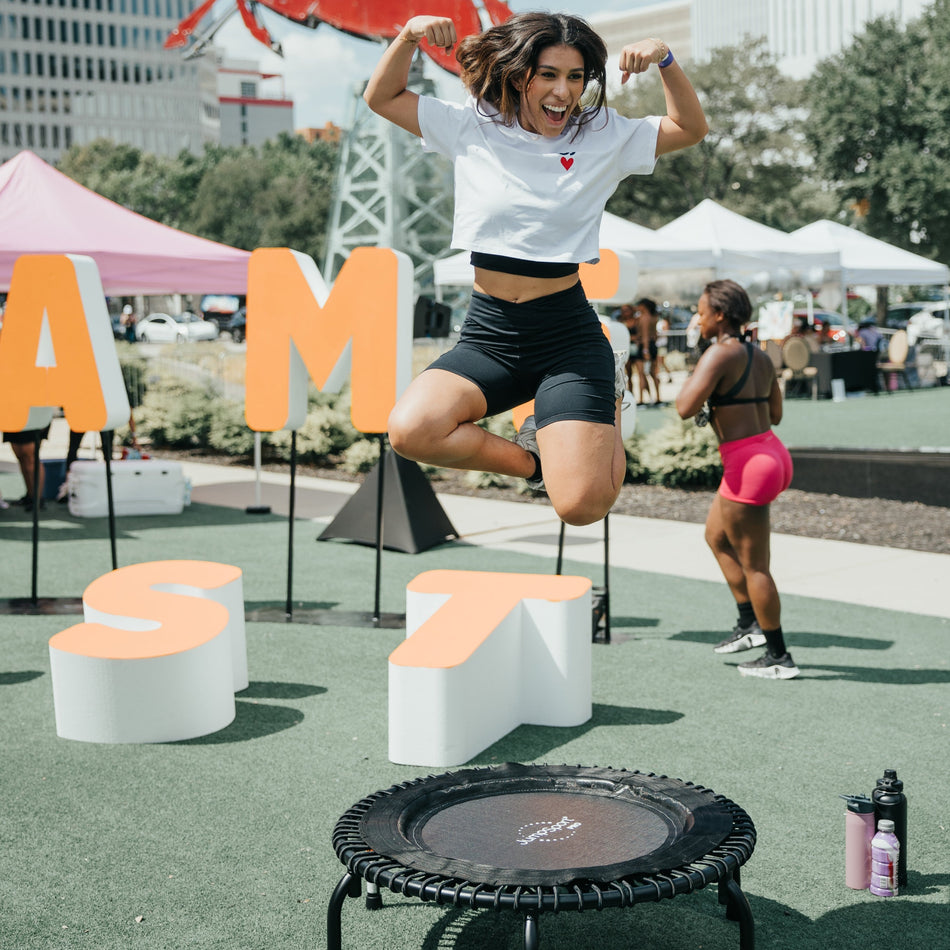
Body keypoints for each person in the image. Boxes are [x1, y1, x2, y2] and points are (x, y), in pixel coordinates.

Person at [364, 11, 707, 526]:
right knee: (412, 431)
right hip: (488, 335)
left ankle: (604, 389)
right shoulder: (473, 125)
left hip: (565, 336)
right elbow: (383, 98)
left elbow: (690, 128)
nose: (563, 92)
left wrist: (665, 59)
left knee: (581, 507)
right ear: (519, 73)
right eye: (548, 74)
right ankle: (533, 462)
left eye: (576, 77)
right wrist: (408, 34)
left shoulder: (603, 135)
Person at [675, 279, 799, 679]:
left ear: (720, 315)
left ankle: (779, 655)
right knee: (715, 535)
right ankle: (749, 625)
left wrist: (703, 369)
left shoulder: (717, 354)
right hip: (770, 451)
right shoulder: (760, 356)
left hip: (748, 464)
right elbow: (776, 414)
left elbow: (683, 406)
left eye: (701, 310)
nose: (697, 317)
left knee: (756, 566)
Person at [2, 425, 49, 512]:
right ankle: (30, 495)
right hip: (13, 417)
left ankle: (37, 499)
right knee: (19, 454)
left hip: (32, 417)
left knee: (30, 457)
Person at [633, 297, 661, 404]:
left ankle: (641, 399)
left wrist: (645, 350)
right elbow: (655, 335)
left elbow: (644, 335)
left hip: (645, 347)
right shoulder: (654, 317)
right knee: (653, 373)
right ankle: (658, 397)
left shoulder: (644, 317)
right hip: (652, 345)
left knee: (641, 374)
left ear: (643, 306)